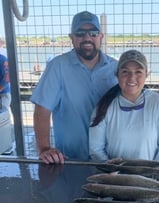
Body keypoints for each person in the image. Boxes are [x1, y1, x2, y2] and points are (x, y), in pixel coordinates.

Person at [89, 49, 159, 203]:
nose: (132, 78)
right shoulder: (104, 106)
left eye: (138, 72)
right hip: (115, 180)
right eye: (125, 71)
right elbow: (96, 149)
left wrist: (152, 179)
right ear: (117, 75)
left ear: (147, 74)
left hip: (150, 181)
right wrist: (114, 173)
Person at [31, 11, 118, 164]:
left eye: (93, 33)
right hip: (70, 160)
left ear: (101, 36)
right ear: (71, 37)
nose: (87, 38)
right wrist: (44, 149)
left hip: (109, 160)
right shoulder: (57, 66)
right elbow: (42, 110)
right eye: (80, 33)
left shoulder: (116, 68)